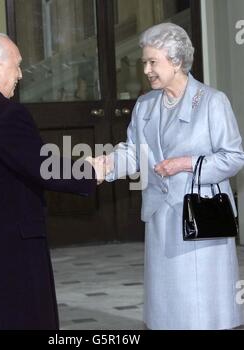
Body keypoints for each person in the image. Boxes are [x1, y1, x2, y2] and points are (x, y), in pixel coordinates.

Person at [0, 32, 103, 330]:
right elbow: (43, 166)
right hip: (5, 255)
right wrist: (92, 170)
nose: (19, 75)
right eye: (16, 65)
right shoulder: (4, 113)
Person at [103, 23, 244, 330]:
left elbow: (234, 158)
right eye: (145, 62)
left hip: (201, 217)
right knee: (166, 310)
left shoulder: (211, 101)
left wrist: (186, 163)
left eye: (153, 62)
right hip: (162, 217)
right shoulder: (145, 105)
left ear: (177, 61)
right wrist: (104, 166)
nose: (147, 70)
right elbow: (134, 153)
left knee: (201, 310)